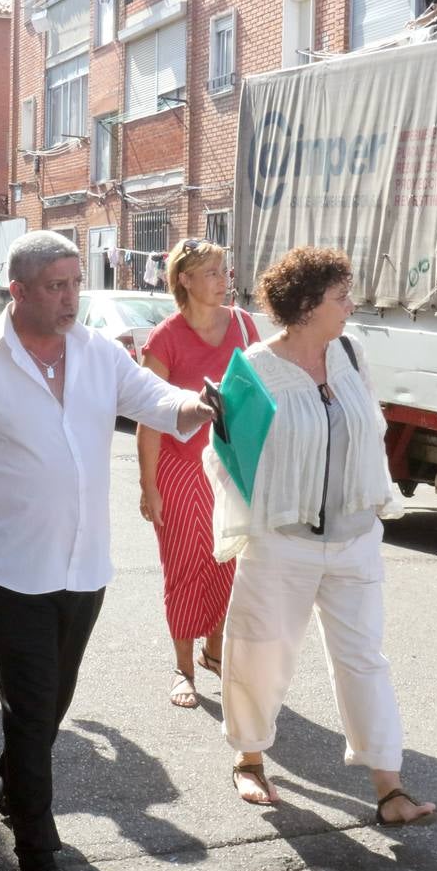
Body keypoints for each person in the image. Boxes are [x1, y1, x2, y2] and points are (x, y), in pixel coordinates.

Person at [0, 231, 216, 871]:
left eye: (75, 283)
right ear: (16, 291)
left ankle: (16, 781)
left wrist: (202, 404)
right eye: (55, 285)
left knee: (50, 706)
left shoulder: (96, 353)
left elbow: (155, 401)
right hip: (10, 571)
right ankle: (37, 851)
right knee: (30, 705)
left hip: (85, 569)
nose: (70, 297)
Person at [204, 246, 437, 827]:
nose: (351, 305)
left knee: (364, 660)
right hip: (282, 542)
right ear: (307, 305)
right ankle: (250, 757)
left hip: (354, 536)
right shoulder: (254, 368)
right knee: (261, 652)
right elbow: (225, 456)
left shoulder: (352, 355)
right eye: (341, 296)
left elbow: (370, 430)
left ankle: (389, 786)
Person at [138, 239, 259, 708]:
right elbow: (149, 416)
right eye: (210, 271)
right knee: (185, 565)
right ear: (184, 279)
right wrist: (149, 487)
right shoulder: (165, 338)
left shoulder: (245, 325)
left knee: (228, 563)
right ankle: (183, 668)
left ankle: (213, 652)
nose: (222, 279)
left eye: (223, 270)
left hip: (232, 464)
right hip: (181, 467)